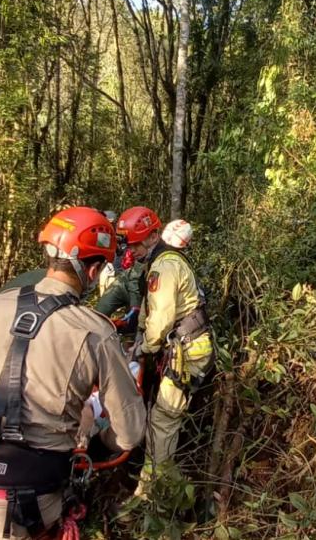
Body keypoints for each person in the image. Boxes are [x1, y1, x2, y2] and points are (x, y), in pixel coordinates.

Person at [0, 206, 146, 540]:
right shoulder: (95, 331)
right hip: (27, 507)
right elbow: (130, 434)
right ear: (92, 272)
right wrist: (93, 435)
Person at [115, 207, 212, 496]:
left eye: (136, 243)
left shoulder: (164, 266)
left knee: (163, 419)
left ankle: (152, 494)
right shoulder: (158, 262)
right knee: (159, 414)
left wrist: (142, 349)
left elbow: (161, 318)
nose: (132, 249)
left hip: (188, 351)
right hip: (181, 347)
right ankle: (153, 478)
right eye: (129, 243)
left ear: (154, 236)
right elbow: (150, 311)